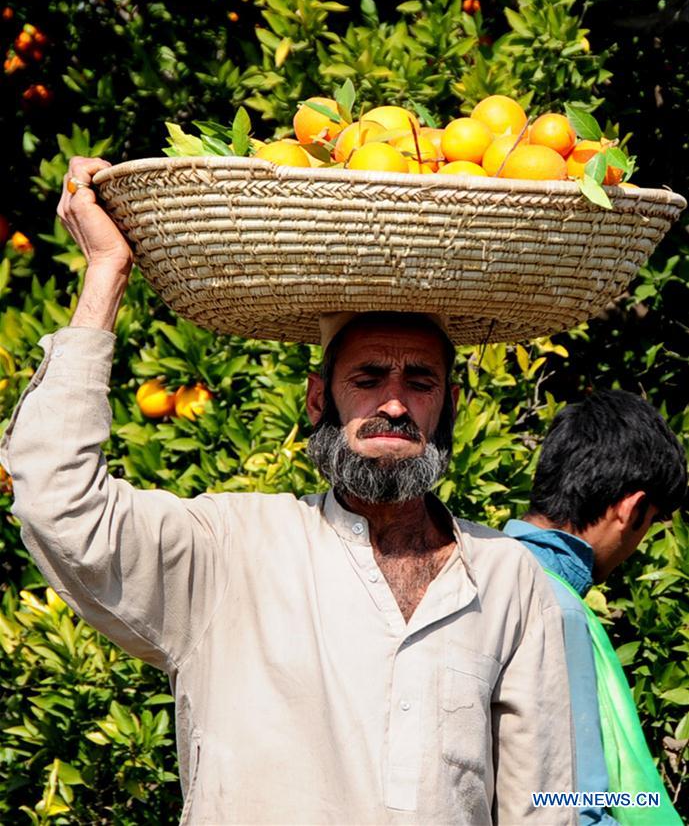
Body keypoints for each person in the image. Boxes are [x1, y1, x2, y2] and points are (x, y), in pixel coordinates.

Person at [0, 156, 577, 825]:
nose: (393, 403)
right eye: (367, 378)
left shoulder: (507, 579)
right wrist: (106, 272)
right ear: (316, 399)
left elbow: (543, 803)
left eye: (419, 381)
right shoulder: (229, 552)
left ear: (447, 406)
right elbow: (54, 498)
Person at [504, 390, 687, 825]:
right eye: (650, 523)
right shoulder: (556, 608)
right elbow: (575, 809)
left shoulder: (476, 569)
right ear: (633, 508)